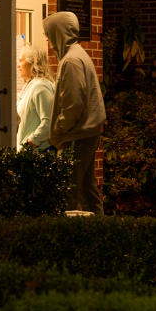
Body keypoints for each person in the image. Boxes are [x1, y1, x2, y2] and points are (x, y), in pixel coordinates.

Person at [44, 11, 106, 214]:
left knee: (66, 190)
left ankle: (62, 235)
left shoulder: (70, 61)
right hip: (85, 132)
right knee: (86, 190)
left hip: (76, 134)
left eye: (49, 34)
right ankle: (102, 229)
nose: (48, 40)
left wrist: (60, 128)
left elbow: (73, 104)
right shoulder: (79, 54)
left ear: (58, 33)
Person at [16, 45, 55, 150]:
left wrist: (31, 141)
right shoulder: (30, 85)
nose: (18, 65)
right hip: (31, 152)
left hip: (40, 152)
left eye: (21, 61)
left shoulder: (40, 86)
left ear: (32, 63)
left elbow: (49, 121)